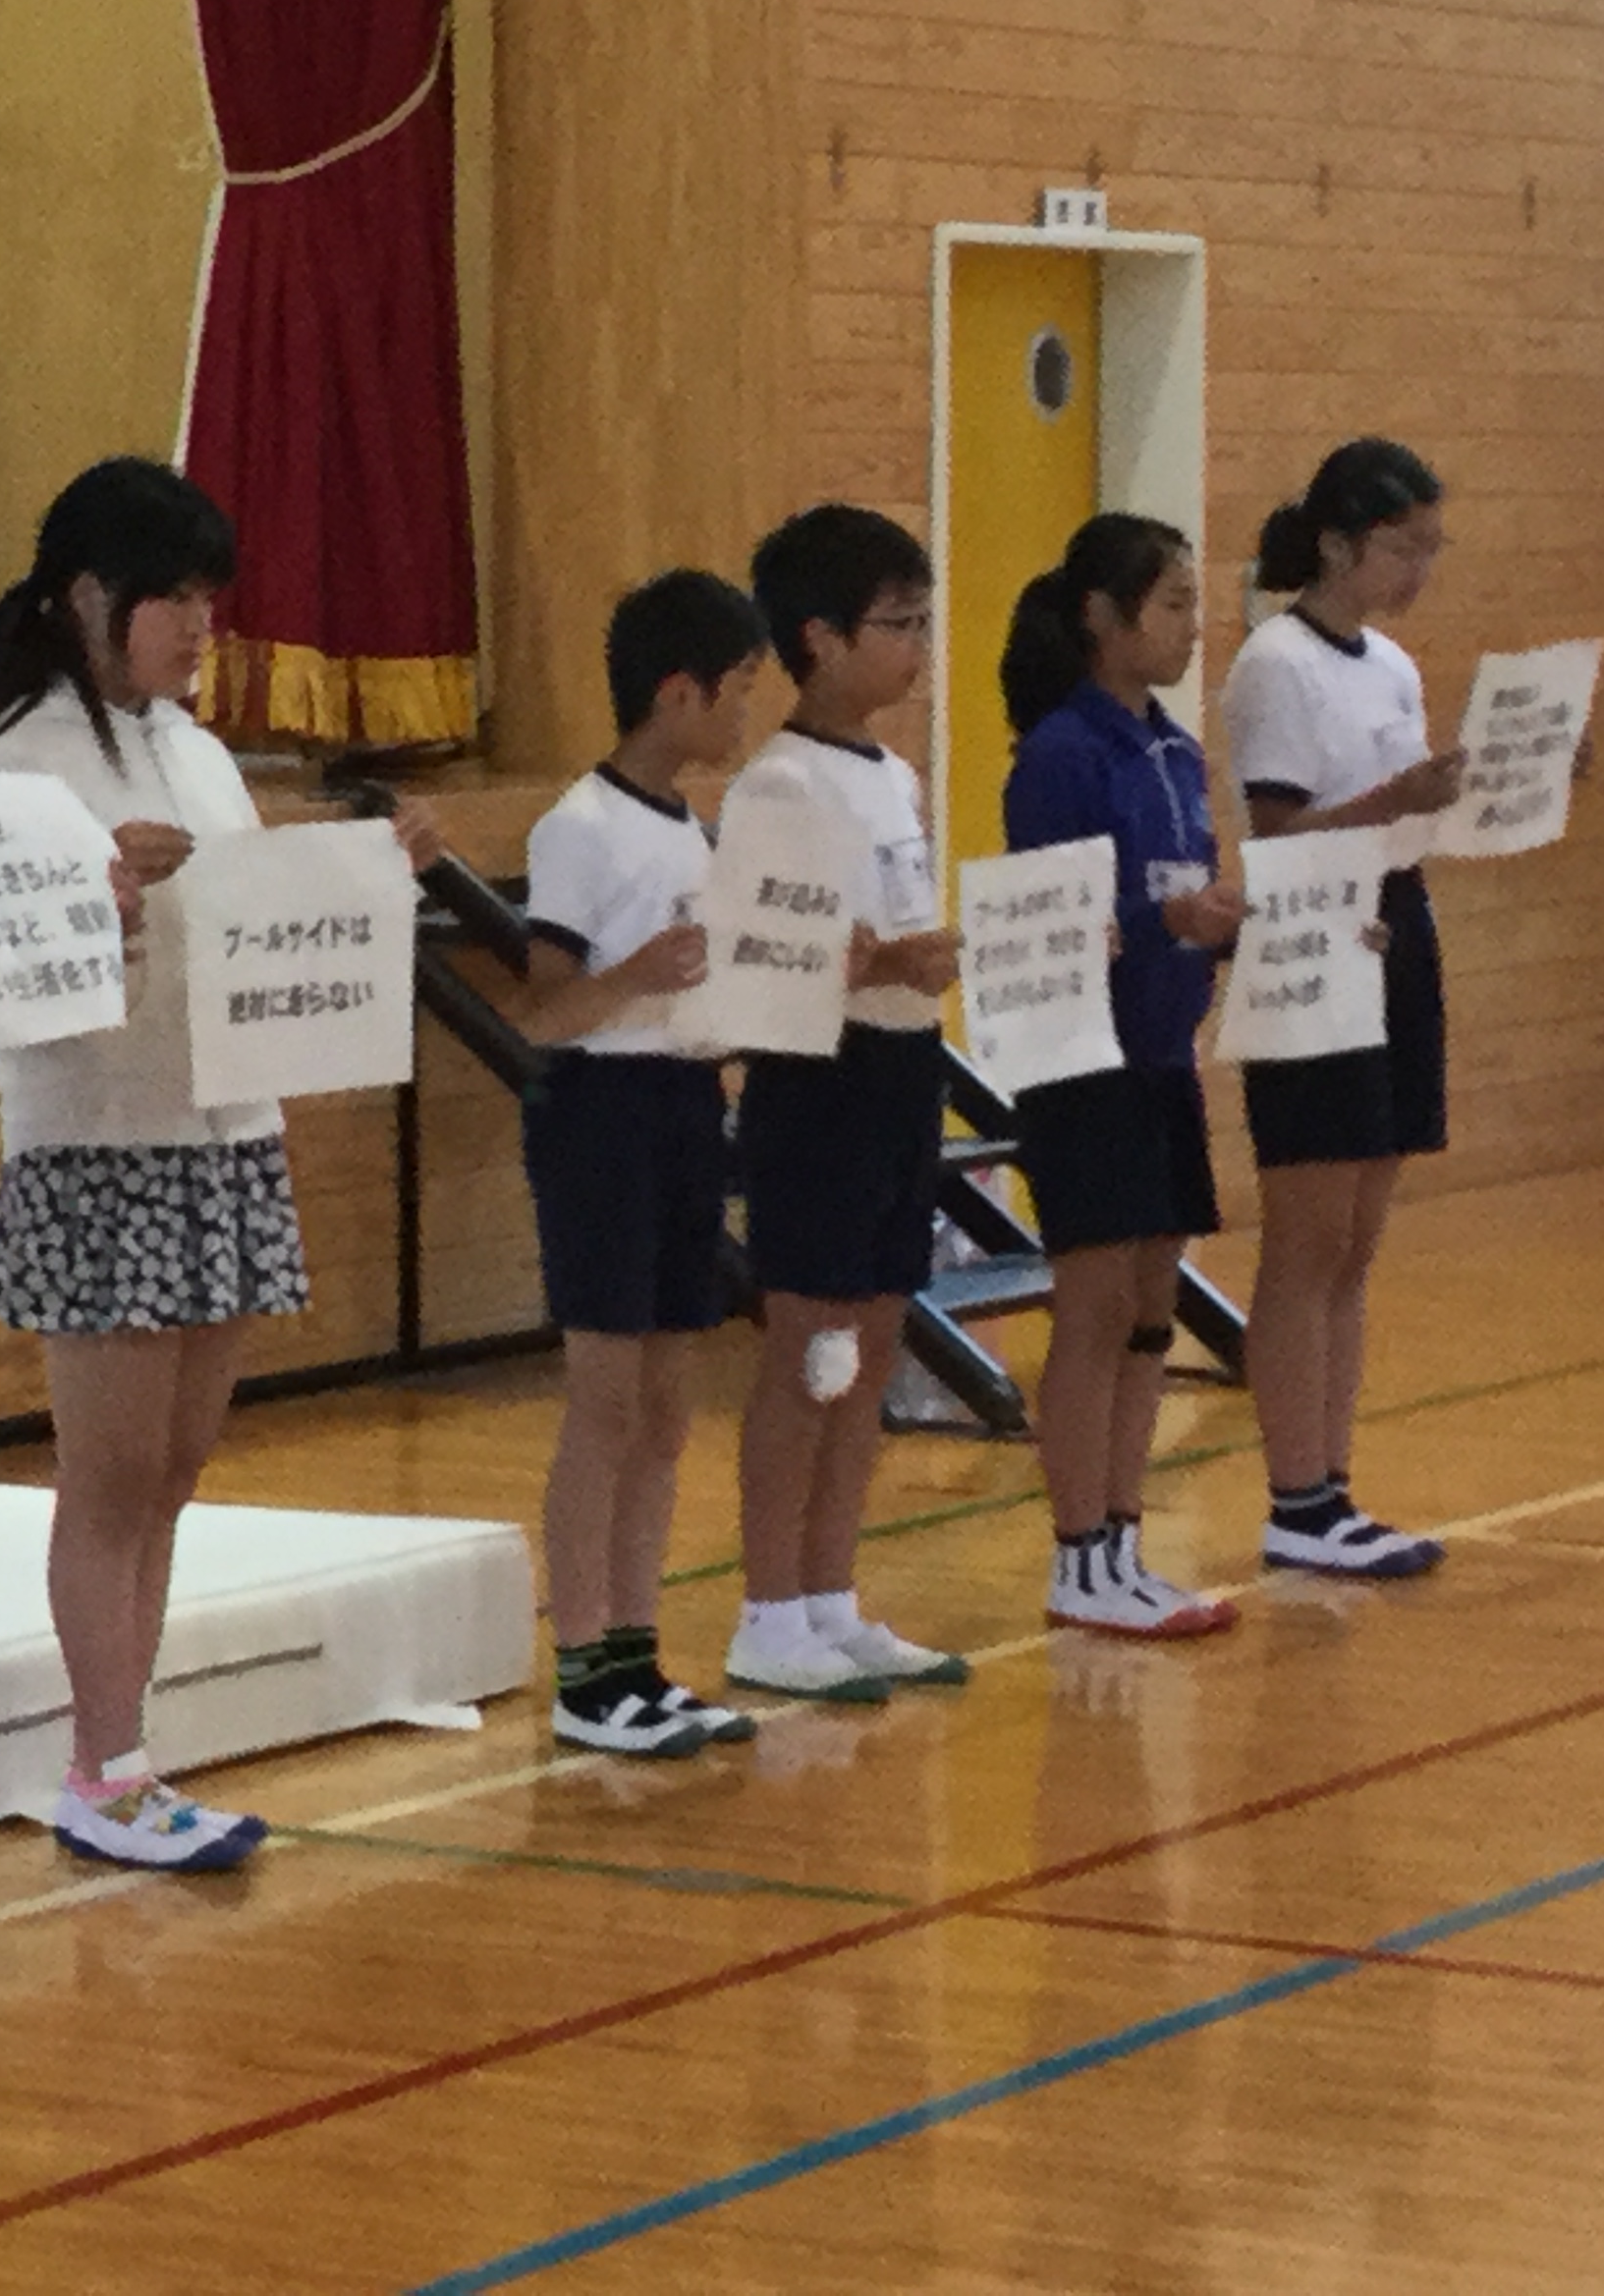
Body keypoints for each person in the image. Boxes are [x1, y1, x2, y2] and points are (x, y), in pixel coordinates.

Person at [0, 457, 444, 1868]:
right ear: (88, 598)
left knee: (170, 1476)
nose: (197, 627)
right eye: (170, 598)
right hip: (103, 1146)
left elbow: (248, 922)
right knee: (110, 1479)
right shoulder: (20, 768)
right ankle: (102, 1766)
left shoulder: (200, 752)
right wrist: (96, 892)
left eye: (205, 599)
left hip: (224, 1137)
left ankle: (129, 1748)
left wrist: (369, 870)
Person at [513, 570, 765, 1756]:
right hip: (601, 1115)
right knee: (607, 1398)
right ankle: (581, 1668)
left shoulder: (693, 831)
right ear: (678, 693)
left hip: (682, 1103)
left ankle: (636, 1655)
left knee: (666, 1406)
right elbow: (545, 1009)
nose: (748, 711)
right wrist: (638, 976)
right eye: (739, 688)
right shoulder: (579, 826)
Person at [723, 504, 970, 1702]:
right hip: (817, 1083)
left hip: (899, 1072)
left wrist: (925, 959)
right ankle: (768, 1610)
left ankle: (831, 1595)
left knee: (872, 1344)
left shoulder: (894, 775)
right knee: (810, 1351)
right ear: (819, 638)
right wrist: (883, 962)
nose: (918, 647)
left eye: (924, 622)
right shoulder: (778, 783)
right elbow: (768, 960)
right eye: (898, 625)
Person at [1216, 438, 1468, 1578]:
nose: (1419, 570)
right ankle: (1296, 1495)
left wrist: (1501, 784)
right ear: (1336, 544)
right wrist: (1392, 800)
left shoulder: (1395, 665)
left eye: (1431, 549)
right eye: (1402, 547)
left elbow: (1411, 819)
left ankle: (1334, 1488)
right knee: (1309, 1235)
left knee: (1360, 1236)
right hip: (1313, 939)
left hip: (1395, 925)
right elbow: (1277, 838)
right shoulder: (1278, 663)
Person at [996, 515, 1246, 1639]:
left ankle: (1123, 1543)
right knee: (1093, 1309)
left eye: (1196, 602)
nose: (1194, 625)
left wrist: (1248, 930)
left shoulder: (1177, 753)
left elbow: (1187, 897)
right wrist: (1164, 924)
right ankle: (1075, 1554)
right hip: (1081, 1064)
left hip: (1160, 1060)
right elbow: (1055, 926)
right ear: (1104, 616)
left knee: (1151, 1310)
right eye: (1174, 603)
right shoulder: (1062, 755)